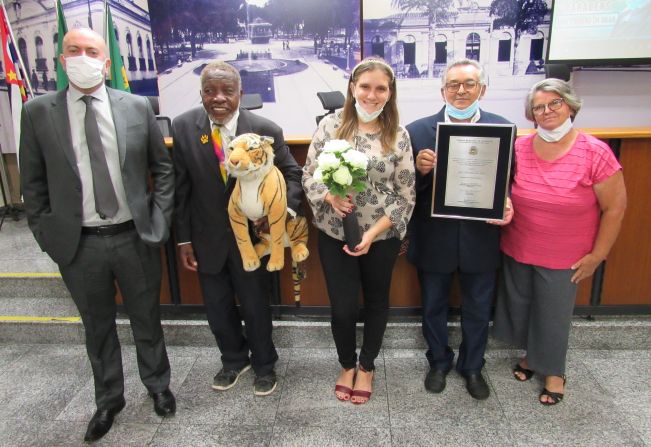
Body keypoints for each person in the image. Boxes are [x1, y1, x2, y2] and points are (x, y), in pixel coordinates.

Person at [19, 28, 175, 442]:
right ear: (60, 59)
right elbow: (32, 185)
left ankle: (158, 387)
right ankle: (109, 400)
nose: (82, 57)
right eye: (74, 51)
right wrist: (47, 236)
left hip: (133, 236)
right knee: (97, 326)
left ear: (107, 63)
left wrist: (157, 222)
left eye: (91, 51)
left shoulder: (136, 106)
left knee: (147, 319)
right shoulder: (37, 113)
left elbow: (162, 169)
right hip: (79, 243)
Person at [172, 61, 303, 396]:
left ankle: (264, 365)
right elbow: (181, 188)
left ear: (239, 94)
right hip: (207, 237)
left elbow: (292, 174)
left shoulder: (264, 129)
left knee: (256, 305)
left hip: (253, 239)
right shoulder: (185, 126)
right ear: (201, 93)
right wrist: (183, 239)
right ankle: (233, 360)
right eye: (210, 90)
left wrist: (280, 211)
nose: (218, 98)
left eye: (227, 90)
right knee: (217, 307)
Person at [493, 78, 626, 405]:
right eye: (539, 106)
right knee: (521, 308)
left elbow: (615, 208)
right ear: (530, 114)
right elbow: (503, 191)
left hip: (565, 255)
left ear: (570, 106)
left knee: (552, 315)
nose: (547, 111)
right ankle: (530, 358)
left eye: (554, 103)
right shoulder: (520, 147)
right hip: (518, 245)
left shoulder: (596, 151)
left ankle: (554, 371)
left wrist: (598, 255)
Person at [302, 58, 415, 405]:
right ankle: (346, 364)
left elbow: (406, 193)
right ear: (353, 88)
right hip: (336, 235)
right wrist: (329, 196)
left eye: (381, 88)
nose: (371, 94)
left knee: (378, 302)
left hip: (379, 238)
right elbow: (309, 175)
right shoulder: (330, 126)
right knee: (343, 308)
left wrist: (372, 233)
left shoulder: (399, 134)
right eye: (365, 86)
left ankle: (367, 366)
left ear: (390, 92)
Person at [406, 58, 514, 400]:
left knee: (479, 308)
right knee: (433, 306)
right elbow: (403, 191)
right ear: (443, 90)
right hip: (433, 236)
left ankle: (472, 367)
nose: (461, 90)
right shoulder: (417, 130)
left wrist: (507, 202)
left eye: (469, 83)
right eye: (454, 84)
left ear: (482, 89)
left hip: (480, 237)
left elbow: (507, 181)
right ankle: (438, 361)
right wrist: (420, 173)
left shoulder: (502, 128)